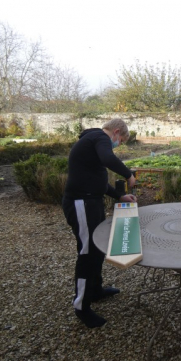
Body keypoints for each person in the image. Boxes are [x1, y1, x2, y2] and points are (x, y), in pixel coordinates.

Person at [62, 118, 137, 328]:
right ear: (115, 132)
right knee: (87, 253)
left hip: (90, 202)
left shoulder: (92, 140)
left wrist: (119, 196)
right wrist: (128, 174)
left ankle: (95, 291)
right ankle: (82, 307)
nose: (117, 144)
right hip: (81, 203)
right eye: (120, 140)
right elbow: (108, 158)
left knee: (96, 248)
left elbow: (98, 180)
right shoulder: (99, 137)